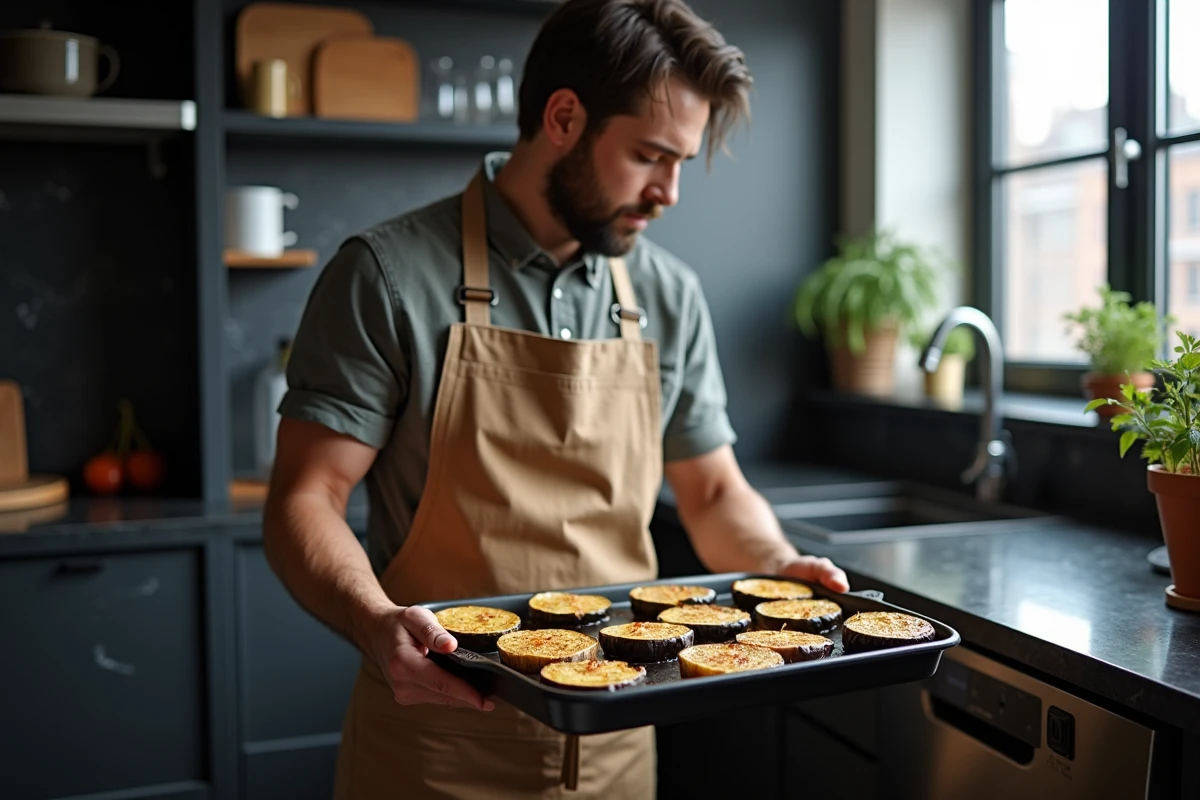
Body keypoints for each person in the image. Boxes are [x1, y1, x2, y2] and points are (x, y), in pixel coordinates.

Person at [263, 0, 850, 796]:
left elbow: (712, 491)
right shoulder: (389, 275)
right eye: (650, 155)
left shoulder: (668, 297)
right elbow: (306, 495)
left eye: (682, 161)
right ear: (565, 118)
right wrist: (374, 623)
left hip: (617, 740)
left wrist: (778, 565)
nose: (670, 192)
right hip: (439, 743)